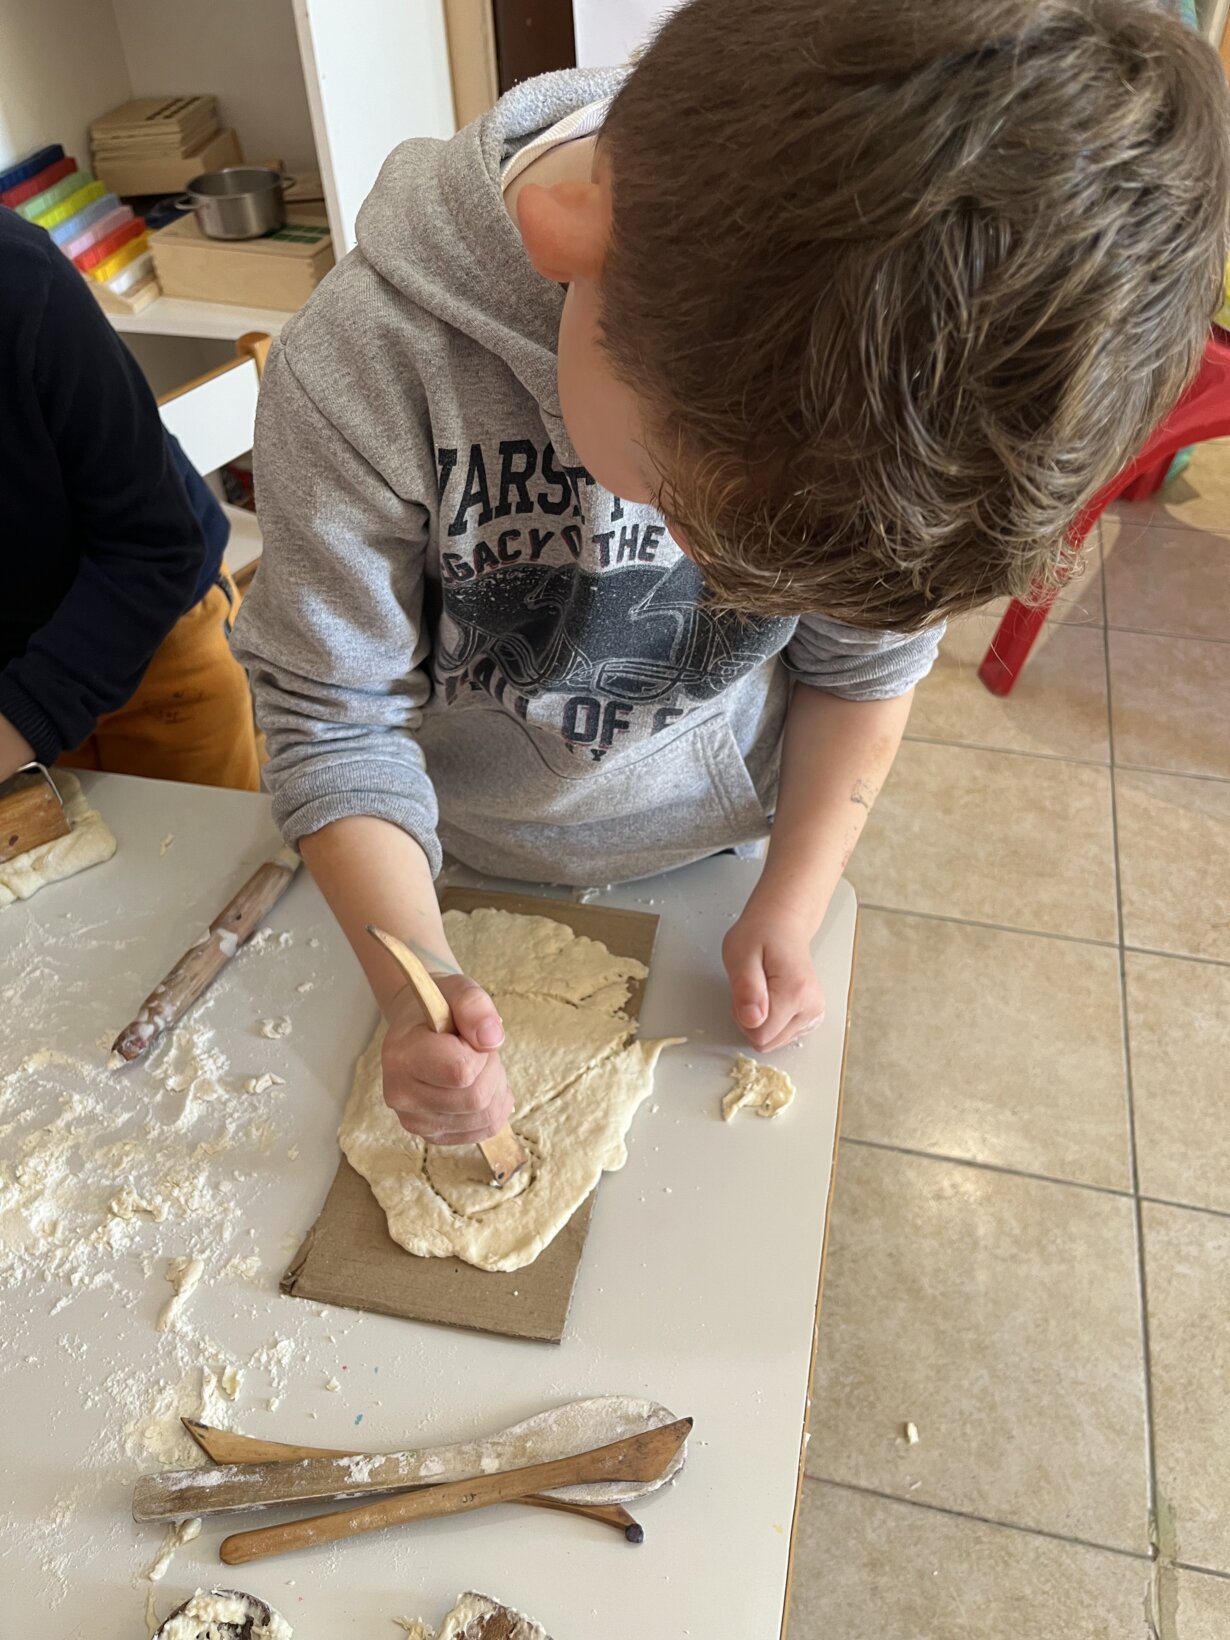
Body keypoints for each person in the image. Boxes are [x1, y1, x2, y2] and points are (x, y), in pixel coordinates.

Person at [232, 0, 1230, 1144]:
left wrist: (790, 899)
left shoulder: (894, 423)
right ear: (565, 236)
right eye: (683, 506)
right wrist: (418, 980)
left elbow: (861, 670)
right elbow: (336, 716)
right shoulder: (365, 365)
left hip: (717, 845)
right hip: (441, 862)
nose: (733, 581)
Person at [0, 206, 260, 793]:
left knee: (201, 844)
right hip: (18, 672)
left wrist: (24, 715)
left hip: (156, 637)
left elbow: (157, 546)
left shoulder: (20, 277)